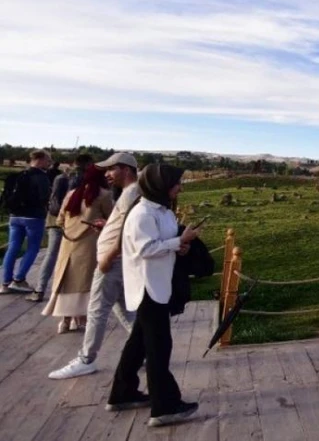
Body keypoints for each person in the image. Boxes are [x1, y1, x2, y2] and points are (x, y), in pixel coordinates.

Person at [106, 164, 202, 427]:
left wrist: (181, 244)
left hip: (158, 284)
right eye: (175, 183)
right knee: (159, 348)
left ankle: (122, 392)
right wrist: (176, 242)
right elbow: (145, 248)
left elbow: (164, 243)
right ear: (161, 185)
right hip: (148, 287)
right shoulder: (142, 215)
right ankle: (164, 405)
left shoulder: (161, 211)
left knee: (138, 343)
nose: (179, 187)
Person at [49, 153, 141, 380]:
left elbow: (129, 230)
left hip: (111, 260)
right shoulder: (128, 193)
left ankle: (86, 359)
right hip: (114, 259)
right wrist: (107, 226)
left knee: (97, 310)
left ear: (126, 169)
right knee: (124, 310)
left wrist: (108, 257)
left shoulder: (131, 194)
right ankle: (146, 350)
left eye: (111, 169)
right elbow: (121, 224)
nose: (107, 174)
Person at [44, 165, 113, 332]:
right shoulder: (104, 195)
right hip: (89, 243)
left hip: (68, 244)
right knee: (84, 281)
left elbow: (60, 220)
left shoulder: (71, 194)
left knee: (65, 280)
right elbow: (112, 220)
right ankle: (81, 318)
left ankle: (64, 320)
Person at [29, 154, 96, 302]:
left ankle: (40, 289)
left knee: (51, 255)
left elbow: (53, 201)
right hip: (77, 224)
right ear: (88, 165)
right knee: (78, 258)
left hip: (56, 221)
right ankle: (73, 294)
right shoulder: (88, 181)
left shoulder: (61, 178)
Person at [2, 150, 53, 294]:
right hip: (34, 217)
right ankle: (19, 280)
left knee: (12, 248)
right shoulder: (41, 177)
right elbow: (44, 198)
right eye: (48, 160)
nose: (49, 163)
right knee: (33, 248)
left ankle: (5, 283)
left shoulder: (19, 175)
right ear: (41, 159)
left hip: (15, 216)